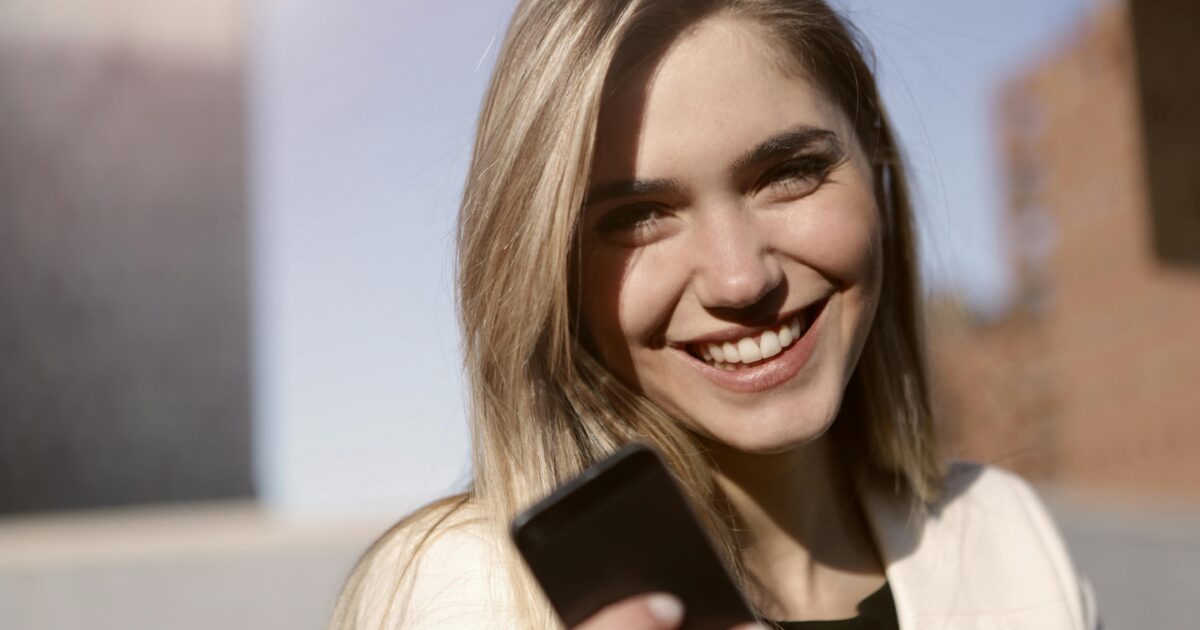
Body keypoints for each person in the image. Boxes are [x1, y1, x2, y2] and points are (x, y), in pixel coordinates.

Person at [331, 0, 1100, 628]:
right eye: (638, 216)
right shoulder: (462, 598)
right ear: (550, 272)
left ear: (877, 168)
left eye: (790, 174)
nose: (740, 279)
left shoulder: (1007, 544)